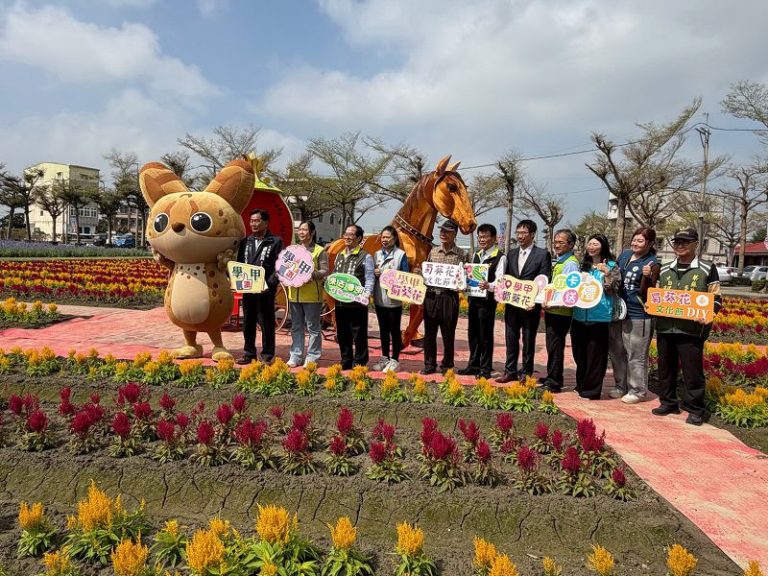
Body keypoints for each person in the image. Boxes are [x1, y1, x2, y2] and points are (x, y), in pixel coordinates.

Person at [652, 228, 721, 425]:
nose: (680, 246)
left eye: (685, 242)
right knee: (665, 368)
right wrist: (652, 304)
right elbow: (657, 294)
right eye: (677, 243)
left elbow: (716, 296)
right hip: (665, 327)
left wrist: (710, 314)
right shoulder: (664, 268)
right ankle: (668, 402)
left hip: (691, 329)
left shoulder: (707, 268)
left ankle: (696, 409)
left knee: (692, 372)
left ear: (696, 244)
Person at [608, 226, 661, 403]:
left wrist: (647, 277)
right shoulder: (624, 255)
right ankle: (619, 385)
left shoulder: (652, 263)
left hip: (639, 314)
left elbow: (652, 292)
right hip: (618, 311)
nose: (635, 243)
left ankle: (637, 390)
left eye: (641, 240)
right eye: (634, 239)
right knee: (617, 351)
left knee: (636, 354)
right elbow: (614, 277)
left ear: (650, 243)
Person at [496, 220, 552, 384]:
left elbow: (544, 279)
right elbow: (505, 279)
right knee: (511, 338)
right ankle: (510, 371)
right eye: (518, 233)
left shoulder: (542, 254)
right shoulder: (511, 254)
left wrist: (536, 300)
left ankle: (526, 372)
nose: (520, 236)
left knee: (528, 340)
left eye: (524, 233)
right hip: (512, 304)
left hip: (530, 306)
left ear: (532, 234)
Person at [570, 234, 621, 399]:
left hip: (599, 316)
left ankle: (592, 390)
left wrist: (607, 274)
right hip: (579, 315)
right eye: (589, 244)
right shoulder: (582, 266)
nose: (591, 247)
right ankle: (581, 384)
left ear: (603, 246)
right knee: (580, 354)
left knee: (596, 355)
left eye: (595, 244)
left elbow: (613, 289)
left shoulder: (612, 265)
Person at [419, 220, 468, 375]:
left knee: (448, 333)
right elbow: (426, 273)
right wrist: (418, 273)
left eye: (447, 231)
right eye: (442, 231)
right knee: (430, 333)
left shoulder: (462, 254)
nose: (443, 234)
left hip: (449, 297)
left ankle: (447, 364)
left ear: (454, 234)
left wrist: (463, 284)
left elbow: (467, 276)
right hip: (432, 296)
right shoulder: (433, 252)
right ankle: (429, 364)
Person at [236, 209, 284, 365]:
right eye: (251, 221)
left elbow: (280, 266)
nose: (253, 224)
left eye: (256, 221)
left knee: (266, 323)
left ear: (265, 222)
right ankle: (249, 353)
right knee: (248, 323)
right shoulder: (245, 242)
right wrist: (237, 281)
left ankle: (267, 355)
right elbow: (239, 264)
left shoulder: (275, 241)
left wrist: (270, 284)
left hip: (266, 291)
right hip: (248, 289)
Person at [458, 223, 505, 379]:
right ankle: (473, 365)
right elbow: (471, 276)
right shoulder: (477, 255)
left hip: (487, 301)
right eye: (480, 236)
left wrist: (489, 285)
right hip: (474, 299)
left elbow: (501, 281)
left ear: (494, 238)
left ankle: (485, 368)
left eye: (485, 236)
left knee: (485, 335)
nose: (482, 239)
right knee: (473, 333)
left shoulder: (499, 257)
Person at [538, 229, 580, 392]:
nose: (557, 245)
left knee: (555, 346)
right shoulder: (561, 261)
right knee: (552, 345)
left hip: (560, 313)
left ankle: (554, 382)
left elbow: (570, 293)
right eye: (555, 242)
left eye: (561, 242)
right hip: (553, 310)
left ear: (571, 244)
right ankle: (552, 375)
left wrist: (553, 305)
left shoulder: (570, 264)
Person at [286, 221, 329, 368]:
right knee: (296, 327)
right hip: (294, 295)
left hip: (312, 296)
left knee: (313, 328)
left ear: (312, 232)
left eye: (304, 230)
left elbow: (324, 271)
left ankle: (312, 357)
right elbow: (285, 268)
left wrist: (312, 275)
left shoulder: (319, 251)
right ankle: (296, 355)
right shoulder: (292, 250)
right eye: (299, 229)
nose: (301, 232)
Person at [333, 224, 375, 369]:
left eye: (351, 235)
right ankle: (346, 360)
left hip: (357, 302)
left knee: (359, 333)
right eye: (346, 234)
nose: (347, 237)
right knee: (343, 333)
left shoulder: (366, 256)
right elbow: (335, 274)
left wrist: (366, 294)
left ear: (358, 238)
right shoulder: (339, 255)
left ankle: (360, 362)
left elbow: (369, 278)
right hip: (340, 302)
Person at [372, 226, 410, 372]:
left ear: (394, 238)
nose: (385, 240)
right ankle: (384, 358)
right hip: (379, 298)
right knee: (383, 330)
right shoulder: (376, 255)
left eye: (388, 237)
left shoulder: (401, 255)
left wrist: (388, 274)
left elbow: (405, 276)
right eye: (383, 237)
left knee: (394, 330)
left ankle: (395, 360)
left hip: (394, 300)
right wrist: (374, 273)